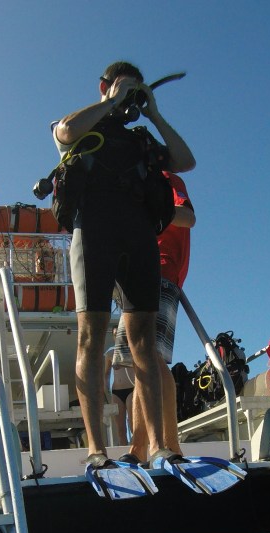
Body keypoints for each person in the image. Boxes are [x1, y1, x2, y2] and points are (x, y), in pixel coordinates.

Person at [52, 61, 195, 469]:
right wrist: (112, 100)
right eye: (122, 87)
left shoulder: (141, 139)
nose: (129, 96)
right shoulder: (84, 129)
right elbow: (63, 131)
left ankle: (159, 447)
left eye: (135, 89)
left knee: (145, 344)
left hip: (138, 239)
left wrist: (152, 111)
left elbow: (185, 161)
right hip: (92, 234)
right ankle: (97, 450)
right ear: (104, 85)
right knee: (90, 339)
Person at [112, 172, 196, 462]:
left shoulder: (164, 178)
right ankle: (138, 448)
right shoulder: (134, 182)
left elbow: (187, 216)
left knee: (149, 359)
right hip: (135, 277)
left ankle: (170, 445)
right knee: (140, 365)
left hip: (158, 271)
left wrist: (144, 207)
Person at [104, 329, 135, 446]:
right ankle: (124, 454)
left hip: (132, 388)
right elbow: (106, 373)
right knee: (120, 429)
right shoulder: (110, 353)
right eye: (115, 334)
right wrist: (105, 389)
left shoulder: (132, 351)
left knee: (133, 425)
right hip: (116, 391)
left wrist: (123, 363)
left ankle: (137, 450)